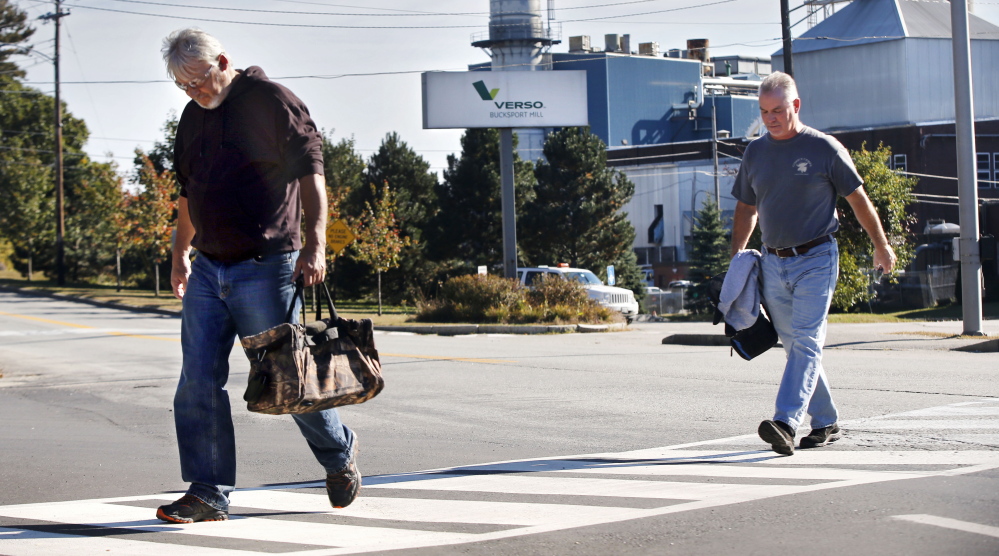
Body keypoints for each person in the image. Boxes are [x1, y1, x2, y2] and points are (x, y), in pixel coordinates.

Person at [156, 28, 360, 523]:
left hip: (267, 266)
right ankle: (208, 492)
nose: (194, 92)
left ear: (223, 61)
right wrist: (180, 253)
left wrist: (315, 244)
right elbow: (187, 191)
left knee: (287, 380)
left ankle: (338, 454)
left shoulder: (272, 101)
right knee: (197, 382)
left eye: (199, 80)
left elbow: (312, 173)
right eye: (183, 86)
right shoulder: (192, 117)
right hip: (208, 268)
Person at [730, 71, 897, 456]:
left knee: (805, 340)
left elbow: (858, 199)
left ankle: (786, 422)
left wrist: (881, 245)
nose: (770, 118)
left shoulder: (824, 148)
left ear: (796, 105)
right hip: (773, 262)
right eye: (764, 112)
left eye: (777, 110)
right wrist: (737, 257)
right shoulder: (755, 153)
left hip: (816, 258)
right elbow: (746, 208)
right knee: (795, 346)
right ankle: (825, 420)